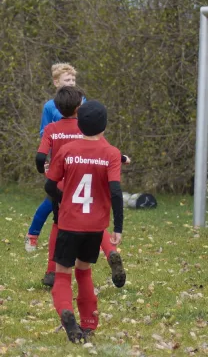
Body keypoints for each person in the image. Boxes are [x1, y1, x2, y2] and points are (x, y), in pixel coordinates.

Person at [45, 100, 124, 342]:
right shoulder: (111, 153)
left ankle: (66, 312)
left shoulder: (67, 150)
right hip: (95, 227)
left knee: (62, 275)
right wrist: (118, 227)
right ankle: (88, 324)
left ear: (79, 124)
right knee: (84, 272)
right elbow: (116, 192)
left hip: (69, 224)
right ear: (105, 125)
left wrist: (64, 197)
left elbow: (50, 185)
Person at [36, 87, 127, 289]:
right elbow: (103, 149)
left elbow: (40, 157)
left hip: (63, 186)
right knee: (95, 224)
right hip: (90, 185)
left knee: (58, 225)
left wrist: (43, 170)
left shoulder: (52, 129)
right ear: (79, 108)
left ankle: (52, 271)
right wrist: (122, 158)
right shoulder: (85, 127)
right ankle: (110, 251)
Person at [25, 63, 78, 252]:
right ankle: (33, 234)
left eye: (73, 79)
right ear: (56, 83)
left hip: (78, 161)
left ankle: (79, 240)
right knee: (52, 201)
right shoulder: (50, 106)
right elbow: (44, 132)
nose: (71, 83)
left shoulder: (82, 101)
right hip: (58, 162)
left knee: (76, 201)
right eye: (67, 80)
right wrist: (46, 157)